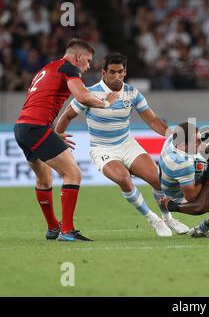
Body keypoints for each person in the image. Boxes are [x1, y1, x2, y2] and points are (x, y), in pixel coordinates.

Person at [55, 52, 189, 237]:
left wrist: (173, 137)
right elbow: (67, 115)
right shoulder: (90, 93)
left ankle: (168, 219)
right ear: (103, 72)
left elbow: (153, 121)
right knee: (124, 179)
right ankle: (153, 219)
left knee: (158, 180)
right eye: (112, 72)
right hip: (102, 149)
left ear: (125, 72)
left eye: (120, 72)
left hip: (127, 145)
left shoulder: (132, 93)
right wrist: (57, 134)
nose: (116, 76)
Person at [14, 38, 119, 242]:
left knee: (44, 178)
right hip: (36, 127)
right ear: (77, 56)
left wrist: (50, 131)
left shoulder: (48, 68)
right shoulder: (69, 69)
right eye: (88, 61)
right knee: (72, 173)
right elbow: (82, 96)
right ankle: (67, 231)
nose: (88, 66)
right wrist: (105, 103)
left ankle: (54, 227)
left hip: (23, 128)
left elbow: (39, 101)